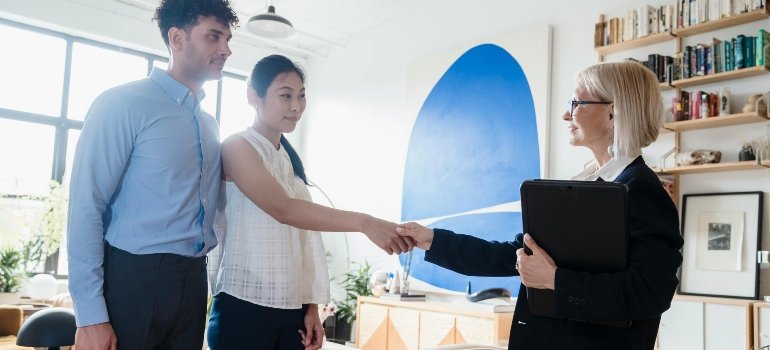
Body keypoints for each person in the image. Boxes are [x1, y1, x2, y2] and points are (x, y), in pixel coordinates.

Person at [398, 61, 683, 350]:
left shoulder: (641, 190)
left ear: (611, 113)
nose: (565, 114)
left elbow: (650, 293)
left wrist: (556, 280)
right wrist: (431, 239)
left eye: (576, 103)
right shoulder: (590, 187)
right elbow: (515, 253)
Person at [206, 54, 412, 350]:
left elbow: (302, 238)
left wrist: (311, 307)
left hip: (291, 311)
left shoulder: (288, 161)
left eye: (301, 96)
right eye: (285, 96)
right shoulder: (237, 146)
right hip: (243, 305)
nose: (296, 106)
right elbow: (284, 210)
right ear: (254, 96)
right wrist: (365, 222)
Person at [66, 1, 238, 349]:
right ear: (177, 38)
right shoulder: (122, 104)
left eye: (228, 39)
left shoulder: (209, 125)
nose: (226, 49)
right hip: (134, 280)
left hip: (192, 281)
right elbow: (86, 207)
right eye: (214, 37)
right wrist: (91, 316)